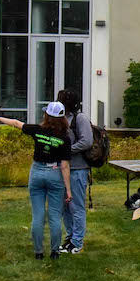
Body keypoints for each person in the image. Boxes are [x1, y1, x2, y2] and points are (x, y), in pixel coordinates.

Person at [0, 105, 72, 258]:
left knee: (37, 215)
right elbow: (64, 166)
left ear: (46, 115)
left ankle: (38, 252)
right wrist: (69, 190)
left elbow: (16, 123)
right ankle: (54, 252)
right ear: (63, 118)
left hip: (37, 173)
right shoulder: (65, 138)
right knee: (54, 216)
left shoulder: (37, 129)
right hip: (54, 174)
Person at [56, 89, 96, 255]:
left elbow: (86, 141)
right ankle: (70, 237)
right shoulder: (62, 119)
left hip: (78, 170)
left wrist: (67, 150)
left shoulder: (80, 119)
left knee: (76, 207)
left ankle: (77, 242)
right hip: (63, 169)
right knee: (65, 206)